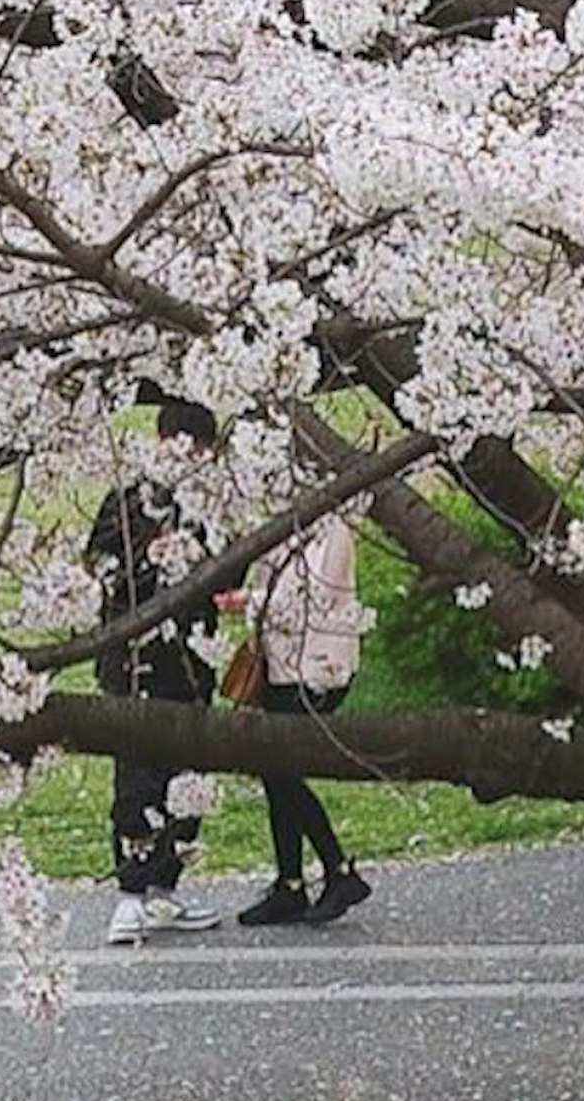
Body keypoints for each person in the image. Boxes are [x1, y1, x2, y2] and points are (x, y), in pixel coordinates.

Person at [86, 396, 227, 945]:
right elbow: (100, 564)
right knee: (137, 773)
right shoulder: (129, 498)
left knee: (190, 770)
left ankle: (167, 886)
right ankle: (130, 893)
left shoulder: (206, 504)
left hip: (190, 656)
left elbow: (229, 562)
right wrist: (149, 561)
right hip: (136, 655)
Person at [235, 507, 376, 925]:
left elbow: (313, 598)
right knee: (274, 769)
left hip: (319, 670)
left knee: (281, 769)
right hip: (280, 666)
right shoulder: (278, 520)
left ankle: (337, 869)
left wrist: (251, 601)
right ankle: (291, 882)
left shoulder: (332, 529)